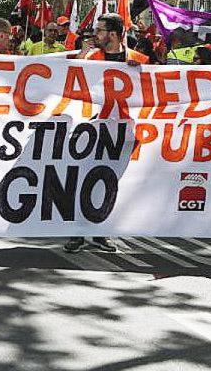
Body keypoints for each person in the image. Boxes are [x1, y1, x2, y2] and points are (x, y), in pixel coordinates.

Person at [65, 13, 147, 254]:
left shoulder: (138, 59)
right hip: (94, 128)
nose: (94, 35)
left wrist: (140, 70)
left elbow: (156, 90)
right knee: (83, 178)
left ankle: (100, 231)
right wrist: (81, 56)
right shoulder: (91, 57)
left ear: (113, 34)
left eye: (99, 30)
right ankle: (78, 233)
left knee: (111, 181)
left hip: (125, 131)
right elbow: (72, 80)